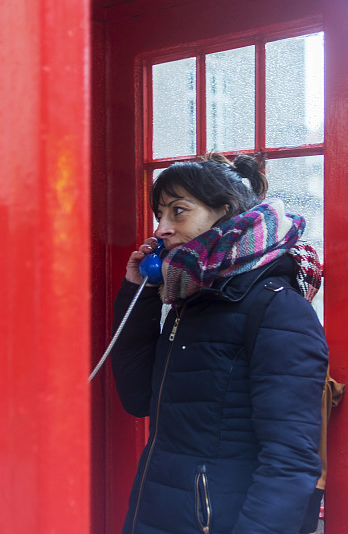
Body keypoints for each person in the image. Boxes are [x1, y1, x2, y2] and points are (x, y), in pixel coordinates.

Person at [110, 154, 329, 534]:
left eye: (178, 211)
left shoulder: (275, 307)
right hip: (155, 509)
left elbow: (290, 461)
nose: (161, 228)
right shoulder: (193, 298)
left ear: (224, 214)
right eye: (160, 214)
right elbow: (137, 398)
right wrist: (140, 292)